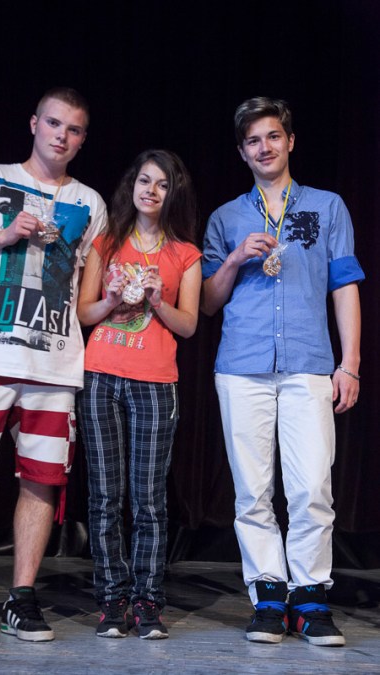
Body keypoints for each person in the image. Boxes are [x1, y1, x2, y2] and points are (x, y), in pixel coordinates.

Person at [0, 87, 107, 642]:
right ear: (34, 124)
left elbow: (88, 296)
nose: (61, 136)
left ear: (82, 139)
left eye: (73, 129)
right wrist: (4, 235)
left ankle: (22, 598)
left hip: (54, 364)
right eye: (54, 123)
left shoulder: (91, 202)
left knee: (40, 481)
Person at [201, 97, 364, 647]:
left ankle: (311, 596)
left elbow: (344, 285)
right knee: (252, 491)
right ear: (242, 152)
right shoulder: (226, 217)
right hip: (242, 366)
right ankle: (269, 596)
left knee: (312, 485)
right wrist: (234, 258)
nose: (264, 147)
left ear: (290, 141)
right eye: (253, 140)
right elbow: (207, 303)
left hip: (309, 363)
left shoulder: (327, 206)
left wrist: (350, 364)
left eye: (273, 136)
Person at [77, 149, 201, 639]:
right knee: (105, 496)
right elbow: (85, 313)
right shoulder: (106, 242)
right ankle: (112, 599)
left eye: (162, 184)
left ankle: (148, 600)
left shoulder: (185, 254)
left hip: (155, 382)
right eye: (145, 181)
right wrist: (111, 298)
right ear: (132, 186)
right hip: (101, 376)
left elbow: (188, 325)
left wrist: (157, 300)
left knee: (148, 499)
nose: (151, 190)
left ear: (173, 194)